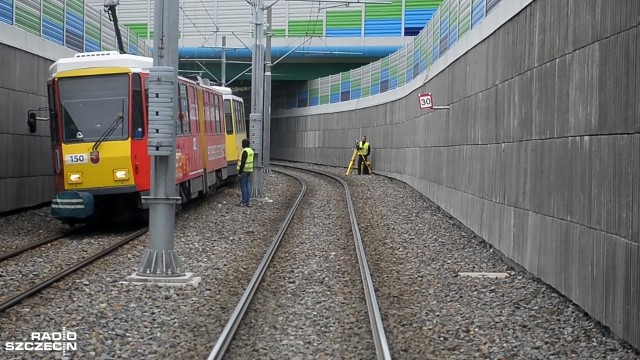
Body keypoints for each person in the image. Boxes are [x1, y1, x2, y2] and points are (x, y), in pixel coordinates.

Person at [237, 138, 254, 207]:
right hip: (249, 170)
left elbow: (243, 163)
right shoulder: (251, 151)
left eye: (242, 143)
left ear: (244, 144)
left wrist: (240, 173)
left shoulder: (245, 151)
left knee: (243, 186)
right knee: (247, 186)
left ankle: (243, 201)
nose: (242, 144)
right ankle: (248, 201)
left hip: (244, 171)